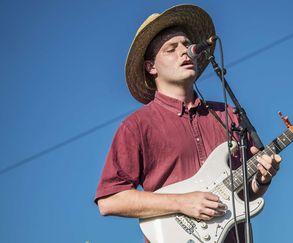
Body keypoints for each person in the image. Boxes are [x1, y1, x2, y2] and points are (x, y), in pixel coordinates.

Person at [94, 4, 282, 243]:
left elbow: (244, 194)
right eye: (171, 49)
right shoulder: (137, 126)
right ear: (151, 67)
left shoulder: (229, 114)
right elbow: (109, 201)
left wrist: (262, 180)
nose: (185, 52)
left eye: (186, 44)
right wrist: (182, 202)